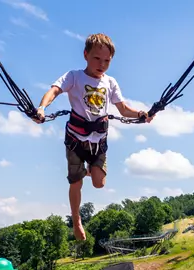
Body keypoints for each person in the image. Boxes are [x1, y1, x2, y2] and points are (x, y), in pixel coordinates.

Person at [32, 33, 154, 241]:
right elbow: (54, 91)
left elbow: (123, 109)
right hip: (75, 141)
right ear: (86, 55)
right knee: (76, 183)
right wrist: (42, 109)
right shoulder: (74, 77)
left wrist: (142, 114)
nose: (102, 64)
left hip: (98, 142)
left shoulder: (110, 82)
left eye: (107, 61)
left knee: (99, 183)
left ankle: (89, 171)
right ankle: (77, 219)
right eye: (97, 59)